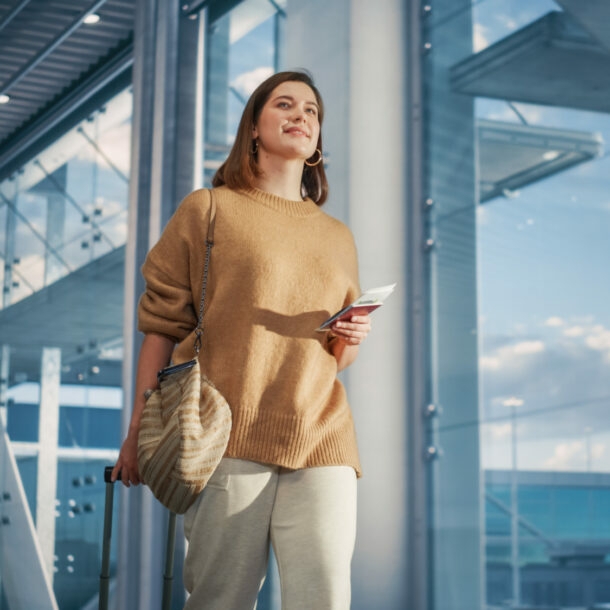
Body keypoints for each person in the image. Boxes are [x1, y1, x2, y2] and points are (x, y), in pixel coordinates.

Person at [112, 70, 371, 610]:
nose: (301, 116)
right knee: (219, 599)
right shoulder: (208, 209)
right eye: (285, 104)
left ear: (318, 138)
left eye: (312, 111)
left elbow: (331, 360)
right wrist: (139, 429)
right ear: (254, 126)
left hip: (322, 434)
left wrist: (350, 335)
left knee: (325, 598)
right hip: (225, 434)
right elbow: (162, 326)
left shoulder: (337, 235)